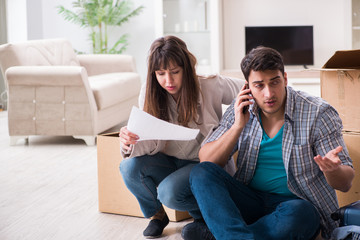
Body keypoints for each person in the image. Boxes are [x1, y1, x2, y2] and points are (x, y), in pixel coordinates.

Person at [186, 46, 355, 240]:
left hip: (294, 206)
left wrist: (332, 171)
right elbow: (206, 160)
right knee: (201, 173)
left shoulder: (318, 113)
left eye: (274, 82)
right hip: (250, 199)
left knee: (302, 213)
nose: (268, 94)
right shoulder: (241, 107)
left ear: (285, 78)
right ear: (247, 86)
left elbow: (346, 183)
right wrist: (237, 126)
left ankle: (224, 234)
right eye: (259, 85)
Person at [119, 35, 244, 238]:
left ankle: (206, 214)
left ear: (186, 67)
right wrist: (128, 140)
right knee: (128, 167)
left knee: (168, 193)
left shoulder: (209, 84)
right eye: (160, 74)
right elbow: (144, 139)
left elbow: (249, 88)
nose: (168, 81)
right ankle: (157, 215)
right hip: (168, 160)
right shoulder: (149, 91)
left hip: (201, 165)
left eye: (175, 72)